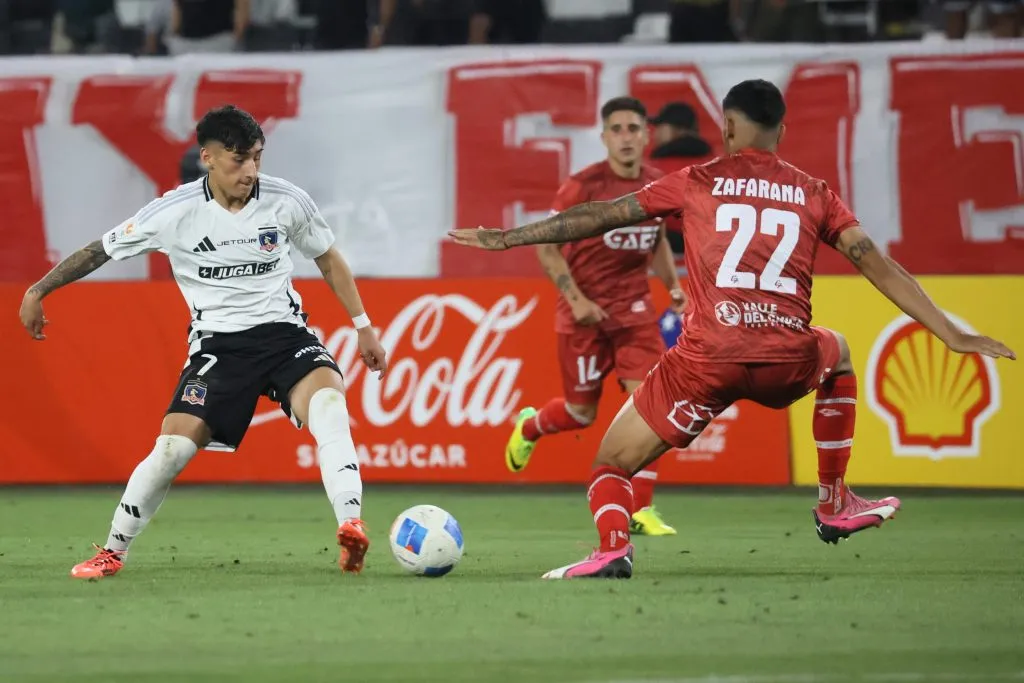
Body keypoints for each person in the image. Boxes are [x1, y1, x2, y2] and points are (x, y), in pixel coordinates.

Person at [449, 79, 1016, 579]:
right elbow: (875, 262)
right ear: (782, 130)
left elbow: (600, 215)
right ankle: (832, 500)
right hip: (786, 362)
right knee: (839, 349)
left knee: (610, 465)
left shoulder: (695, 181)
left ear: (727, 125)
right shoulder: (815, 192)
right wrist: (949, 331)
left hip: (705, 363)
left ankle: (612, 548)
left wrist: (508, 238)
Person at [18, 105, 388, 579]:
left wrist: (363, 325)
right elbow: (101, 250)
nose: (251, 171)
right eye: (239, 160)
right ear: (208, 158)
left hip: (285, 337)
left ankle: (351, 526)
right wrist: (38, 289)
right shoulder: (174, 212)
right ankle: (112, 550)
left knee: (330, 407)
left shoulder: (286, 201)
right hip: (219, 347)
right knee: (172, 450)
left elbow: (328, 258)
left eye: (257, 158)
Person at [507, 97, 685, 537]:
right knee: (580, 413)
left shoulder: (656, 184)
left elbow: (657, 238)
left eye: (634, 129)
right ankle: (530, 426)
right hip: (582, 315)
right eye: (617, 129)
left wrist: (674, 285)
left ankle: (640, 509)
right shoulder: (580, 188)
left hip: (635, 311)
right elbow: (546, 247)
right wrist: (577, 298)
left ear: (647, 136)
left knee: (649, 403)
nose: (626, 137)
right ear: (604, 137)